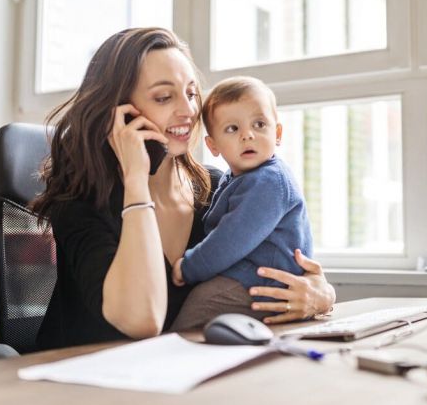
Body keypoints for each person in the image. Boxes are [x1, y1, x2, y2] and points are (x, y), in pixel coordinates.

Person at [31, 28, 335, 349]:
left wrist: (320, 294)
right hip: (82, 384)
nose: (189, 111)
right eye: (164, 97)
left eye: (191, 93)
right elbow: (142, 321)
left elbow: (287, 264)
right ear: (119, 113)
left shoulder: (216, 188)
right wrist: (136, 179)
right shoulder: (80, 200)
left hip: (182, 381)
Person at [169, 76, 313, 330]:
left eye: (259, 124)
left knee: (196, 312)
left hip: (262, 284)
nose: (248, 135)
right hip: (251, 279)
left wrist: (189, 267)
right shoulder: (235, 178)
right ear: (213, 145)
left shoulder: (269, 181)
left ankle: (168, 357)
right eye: (232, 129)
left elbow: (230, 239)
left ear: (277, 133)